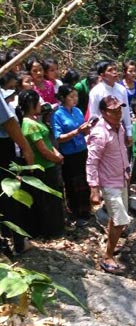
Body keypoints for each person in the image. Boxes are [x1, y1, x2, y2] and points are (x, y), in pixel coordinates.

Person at [86, 95, 130, 274]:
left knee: (118, 219)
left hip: (121, 178)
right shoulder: (99, 132)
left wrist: (127, 170)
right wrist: (94, 189)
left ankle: (110, 245)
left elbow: (122, 151)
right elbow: (92, 161)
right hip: (109, 182)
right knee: (120, 221)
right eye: (113, 110)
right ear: (103, 112)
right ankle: (107, 257)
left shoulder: (118, 127)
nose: (118, 113)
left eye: (119, 109)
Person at [19, 90, 65, 238]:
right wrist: (56, 158)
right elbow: (42, 150)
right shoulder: (30, 124)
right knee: (48, 202)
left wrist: (57, 154)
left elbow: (47, 145)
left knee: (53, 200)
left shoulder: (33, 121)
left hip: (49, 164)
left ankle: (55, 230)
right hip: (43, 167)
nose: (40, 105)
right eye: (37, 102)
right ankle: (51, 232)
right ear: (31, 105)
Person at [51, 85, 92, 227]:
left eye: (76, 96)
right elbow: (59, 137)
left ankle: (86, 210)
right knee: (72, 183)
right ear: (63, 98)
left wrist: (87, 129)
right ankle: (75, 212)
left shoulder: (78, 111)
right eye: (71, 96)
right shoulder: (57, 114)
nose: (75, 99)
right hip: (69, 153)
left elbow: (83, 130)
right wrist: (76, 131)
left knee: (84, 181)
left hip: (82, 149)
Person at [0, 93, 34, 255]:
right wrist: (26, 148)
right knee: (8, 195)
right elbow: (7, 120)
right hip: (2, 149)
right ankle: (18, 242)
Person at [88, 60, 132, 146]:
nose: (114, 72)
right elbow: (94, 116)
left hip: (120, 128)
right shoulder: (96, 92)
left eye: (115, 69)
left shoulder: (121, 89)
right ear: (102, 75)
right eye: (110, 70)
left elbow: (125, 111)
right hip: (104, 130)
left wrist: (129, 132)